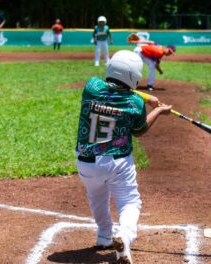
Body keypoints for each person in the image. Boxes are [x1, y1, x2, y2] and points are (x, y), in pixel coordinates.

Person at [76, 50, 171, 264]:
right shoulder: (134, 103)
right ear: (134, 77)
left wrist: (145, 97)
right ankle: (125, 235)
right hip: (117, 162)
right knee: (129, 202)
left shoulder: (91, 87)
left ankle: (103, 236)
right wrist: (158, 110)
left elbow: (114, 90)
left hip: (87, 161)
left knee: (97, 197)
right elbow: (139, 130)